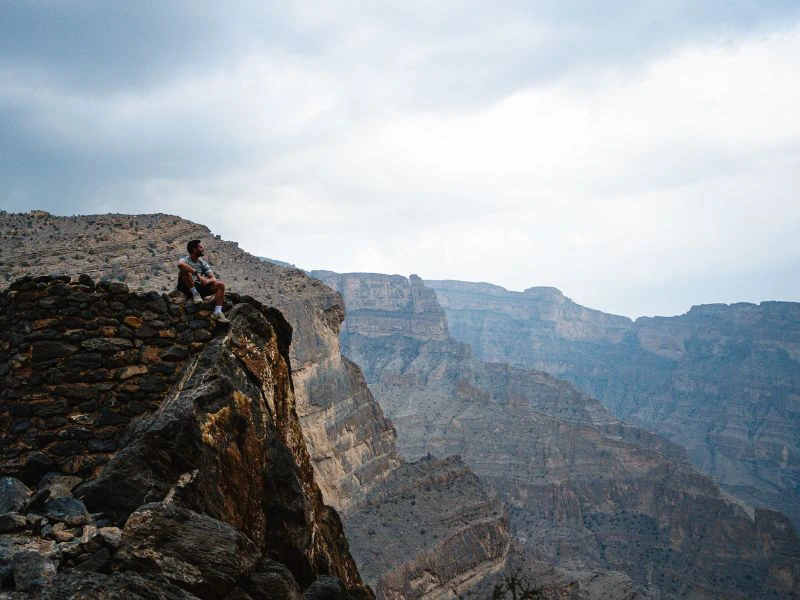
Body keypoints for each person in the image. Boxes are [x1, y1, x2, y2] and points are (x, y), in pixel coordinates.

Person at [177, 239, 230, 324]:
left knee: (220, 284)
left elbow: (213, 278)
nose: (203, 249)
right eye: (200, 247)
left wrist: (206, 281)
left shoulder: (203, 263)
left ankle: (217, 312)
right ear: (194, 249)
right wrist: (197, 273)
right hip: (185, 287)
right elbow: (180, 265)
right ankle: (195, 294)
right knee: (184, 271)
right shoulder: (185, 259)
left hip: (199, 286)